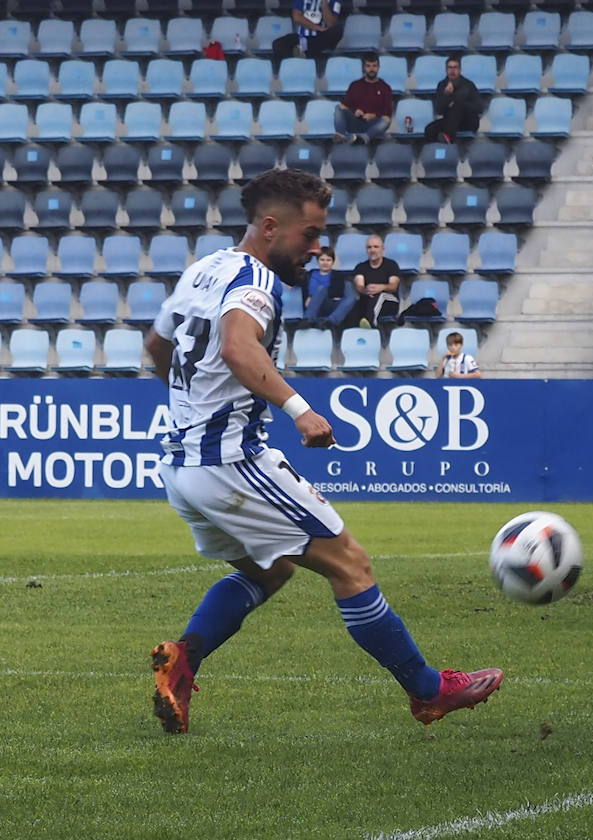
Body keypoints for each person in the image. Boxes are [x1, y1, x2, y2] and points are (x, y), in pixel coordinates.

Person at [142, 169, 502, 735]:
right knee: (351, 564)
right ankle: (430, 691)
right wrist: (299, 410)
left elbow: (157, 344)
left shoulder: (204, 269)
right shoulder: (255, 282)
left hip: (183, 468)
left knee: (272, 569)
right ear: (269, 226)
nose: (317, 249)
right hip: (233, 465)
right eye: (309, 236)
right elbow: (238, 347)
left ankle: (183, 661)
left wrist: (194, 400)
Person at [334, 53, 394, 145]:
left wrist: (373, 115)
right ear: (364, 68)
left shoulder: (385, 87)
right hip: (356, 121)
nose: (371, 69)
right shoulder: (355, 85)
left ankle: (363, 138)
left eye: (374, 66)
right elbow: (346, 105)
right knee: (339, 107)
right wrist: (355, 111)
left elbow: (387, 112)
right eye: (368, 66)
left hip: (373, 124)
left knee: (386, 120)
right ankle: (341, 137)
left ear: (378, 68)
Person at [424, 55, 485, 143]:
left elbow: (479, 108)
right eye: (450, 68)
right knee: (429, 129)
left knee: (458, 105)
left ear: (460, 70)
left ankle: (448, 136)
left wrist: (458, 103)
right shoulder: (442, 85)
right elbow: (439, 110)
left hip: (468, 122)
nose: (452, 71)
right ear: (446, 70)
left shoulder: (468, 85)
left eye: (455, 67)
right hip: (450, 121)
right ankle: (438, 152)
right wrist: (446, 94)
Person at [347, 234, 401, 328]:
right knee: (354, 306)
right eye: (369, 247)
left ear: (382, 249)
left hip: (389, 301)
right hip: (368, 299)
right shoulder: (361, 267)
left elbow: (393, 286)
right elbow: (359, 286)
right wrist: (367, 290)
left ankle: (371, 324)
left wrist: (381, 287)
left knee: (380, 295)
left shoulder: (391, 265)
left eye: (376, 247)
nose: (372, 250)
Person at [301, 246, 356, 328]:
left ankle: (330, 321)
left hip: (331, 306)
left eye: (328, 260)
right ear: (318, 261)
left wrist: (312, 296)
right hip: (314, 307)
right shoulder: (309, 275)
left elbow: (338, 293)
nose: (325, 263)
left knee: (348, 287)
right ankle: (307, 319)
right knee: (321, 288)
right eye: (322, 260)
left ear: (332, 262)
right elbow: (295, 277)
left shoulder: (338, 276)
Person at [272, 0, 344, 60]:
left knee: (337, 31)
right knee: (277, 44)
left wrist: (324, 3)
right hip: (302, 38)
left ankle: (303, 52)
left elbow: (330, 24)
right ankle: (304, 53)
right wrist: (318, 28)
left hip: (321, 38)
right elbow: (297, 17)